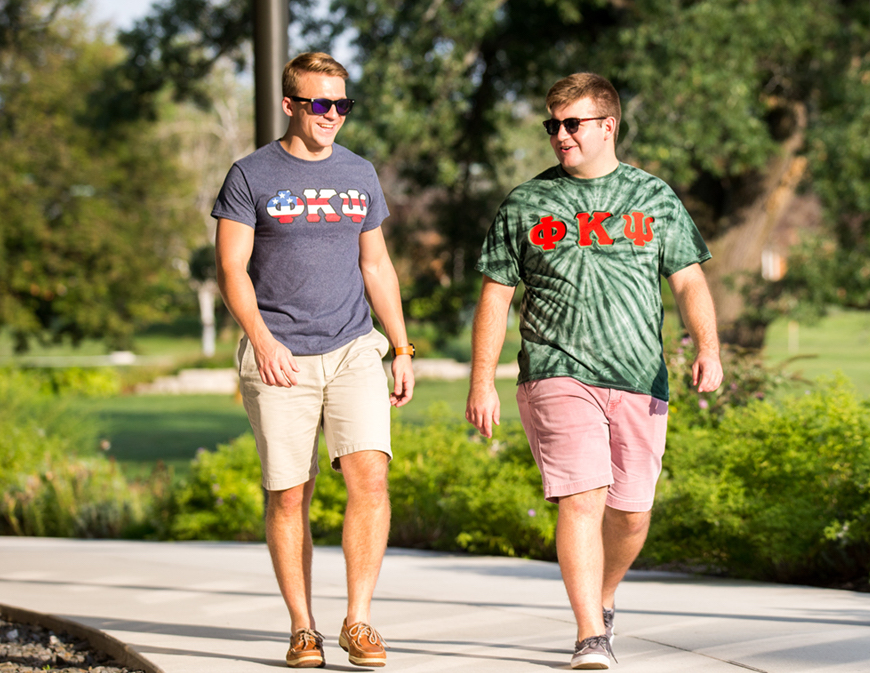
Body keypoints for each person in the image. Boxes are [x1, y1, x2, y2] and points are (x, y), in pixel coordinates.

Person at [465, 72, 723, 670]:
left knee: (632, 513)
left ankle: (603, 599)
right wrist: (484, 380)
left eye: (571, 123)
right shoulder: (526, 202)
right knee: (582, 496)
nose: (560, 135)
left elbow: (688, 279)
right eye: (552, 125)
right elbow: (496, 296)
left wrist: (706, 345)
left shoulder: (653, 197)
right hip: (556, 369)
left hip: (639, 375)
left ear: (607, 126)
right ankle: (589, 635)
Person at [212, 52, 415, 669]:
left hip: (354, 347)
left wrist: (401, 346)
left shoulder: (360, 172)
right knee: (288, 493)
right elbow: (231, 270)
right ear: (290, 104)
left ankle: (359, 621)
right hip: (280, 356)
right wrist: (262, 339)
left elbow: (375, 266)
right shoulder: (250, 175)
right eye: (320, 104)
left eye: (342, 105)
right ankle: (304, 628)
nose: (332, 115)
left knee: (370, 479)